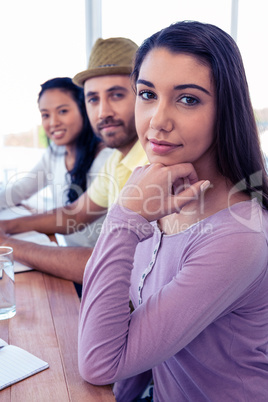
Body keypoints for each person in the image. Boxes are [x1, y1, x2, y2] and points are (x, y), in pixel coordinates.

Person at [78, 21, 268, 401]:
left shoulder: (238, 236)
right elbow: (136, 338)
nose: (157, 121)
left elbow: (100, 363)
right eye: (147, 94)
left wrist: (124, 217)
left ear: (225, 109)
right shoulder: (162, 194)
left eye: (188, 99)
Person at [0, 37, 147, 284]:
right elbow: (76, 214)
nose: (103, 112)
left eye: (117, 95)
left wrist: (7, 243)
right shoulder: (118, 159)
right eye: (93, 99)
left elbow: (106, 266)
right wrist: (8, 227)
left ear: (145, 95)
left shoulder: (151, 164)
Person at [0, 77, 112, 248]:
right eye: (45, 115)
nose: (53, 122)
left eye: (63, 111)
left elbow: (73, 216)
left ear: (84, 110)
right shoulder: (55, 152)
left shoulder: (106, 159)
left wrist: (7, 227)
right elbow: (20, 189)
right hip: (67, 255)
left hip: (95, 263)